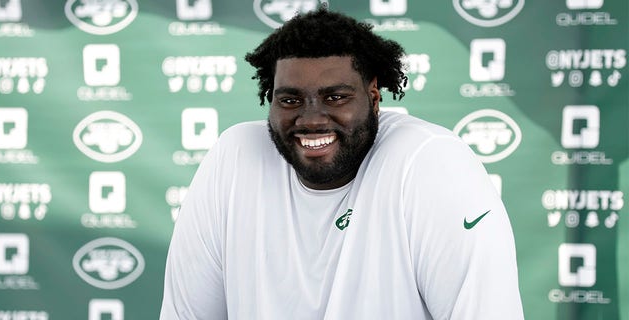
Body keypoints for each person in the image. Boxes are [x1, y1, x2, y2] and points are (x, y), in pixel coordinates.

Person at [160, 6, 524, 320]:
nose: (311, 119)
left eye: (335, 97)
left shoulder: (431, 162)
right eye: (290, 100)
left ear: (374, 96)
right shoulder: (234, 156)